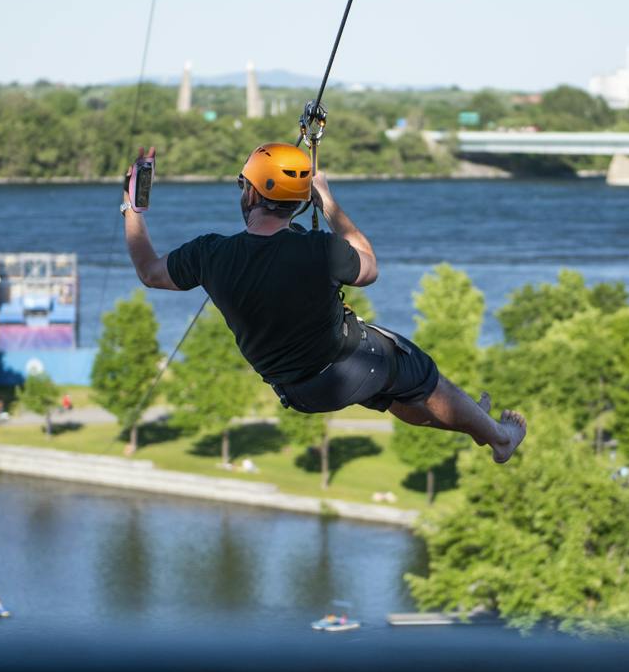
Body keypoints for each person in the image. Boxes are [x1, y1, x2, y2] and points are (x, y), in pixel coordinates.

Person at [120, 143, 526, 463]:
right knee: (416, 373)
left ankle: (477, 422)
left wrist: (133, 207)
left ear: (251, 193)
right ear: (298, 200)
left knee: (397, 394)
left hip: (299, 392)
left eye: (243, 183)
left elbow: (149, 271)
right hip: (352, 366)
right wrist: (328, 203)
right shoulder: (318, 249)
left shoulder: (209, 254)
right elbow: (369, 267)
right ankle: (498, 436)